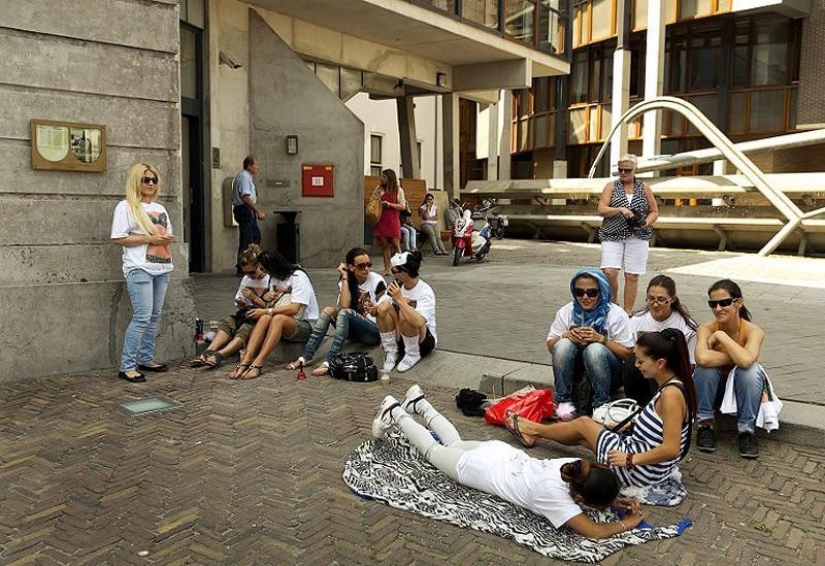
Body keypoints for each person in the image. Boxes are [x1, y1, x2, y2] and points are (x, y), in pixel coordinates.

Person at [371, 385, 644, 539]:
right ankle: (395, 412)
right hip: (476, 468)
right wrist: (628, 523)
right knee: (432, 451)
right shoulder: (556, 498)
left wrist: (613, 499)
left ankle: (418, 403)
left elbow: (591, 485)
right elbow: (594, 531)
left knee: (453, 442)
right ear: (581, 499)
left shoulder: (575, 465)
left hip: (497, 452)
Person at [508, 329, 697, 490]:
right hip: (646, 460)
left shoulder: (671, 395)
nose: (636, 365)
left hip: (641, 471)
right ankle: (534, 432)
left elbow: (671, 449)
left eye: (640, 361)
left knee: (584, 424)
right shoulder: (674, 384)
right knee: (582, 436)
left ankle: (533, 430)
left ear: (660, 363)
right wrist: (634, 425)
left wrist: (630, 459)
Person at [110, 163, 175, 383]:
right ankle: (127, 366)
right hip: (139, 268)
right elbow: (118, 238)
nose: (150, 183)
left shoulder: (160, 208)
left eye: (154, 180)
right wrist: (149, 238)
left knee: (154, 316)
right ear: (136, 181)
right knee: (142, 317)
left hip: (162, 267)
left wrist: (165, 239)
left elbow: (167, 234)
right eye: (146, 179)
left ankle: (146, 359)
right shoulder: (125, 206)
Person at [546, 269, 635, 420]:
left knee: (594, 349)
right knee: (562, 345)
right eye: (579, 292)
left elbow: (628, 354)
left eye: (592, 292)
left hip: (610, 373)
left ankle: (601, 406)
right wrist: (565, 336)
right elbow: (551, 347)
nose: (585, 297)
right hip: (577, 373)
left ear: (602, 291)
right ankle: (563, 404)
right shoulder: (566, 311)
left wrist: (601, 339)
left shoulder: (616, 314)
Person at [694, 279, 766, 459]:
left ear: (738, 303)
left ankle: (746, 432)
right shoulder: (705, 328)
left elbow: (747, 362)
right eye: (713, 304)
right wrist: (738, 356)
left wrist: (721, 336)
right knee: (705, 369)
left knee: (750, 371)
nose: (718, 309)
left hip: (741, 392)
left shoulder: (753, 331)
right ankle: (705, 425)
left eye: (724, 302)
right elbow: (702, 358)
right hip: (715, 391)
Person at [285, 248, 386, 376]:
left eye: (368, 264)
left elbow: (386, 310)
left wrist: (387, 338)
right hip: (353, 330)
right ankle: (306, 356)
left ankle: (329, 361)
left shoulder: (377, 280)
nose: (366, 269)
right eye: (361, 266)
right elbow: (344, 305)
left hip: (372, 332)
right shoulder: (345, 280)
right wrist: (345, 278)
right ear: (351, 267)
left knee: (345, 313)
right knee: (328, 310)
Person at [228, 250, 319, 380]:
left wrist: (267, 310)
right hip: (280, 321)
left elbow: (294, 308)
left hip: (304, 325)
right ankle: (246, 360)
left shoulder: (298, 276)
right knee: (265, 318)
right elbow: (270, 307)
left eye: (264, 269)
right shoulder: (273, 279)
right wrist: (267, 300)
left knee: (277, 318)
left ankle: (258, 362)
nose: (263, 272)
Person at [191, 244, 270, 369]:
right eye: (246, 272)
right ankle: (208, 352)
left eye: (252, 272)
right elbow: (239, 299)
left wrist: (254, 298)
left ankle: (220, 355)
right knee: (227, 322)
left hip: (261, 317)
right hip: (246, 312)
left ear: (259, 266)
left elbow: (272, 308)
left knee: (245, 328)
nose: (250, 276)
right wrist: (240, 302)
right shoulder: (246, 279)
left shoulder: (269, 280)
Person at [597, 154, 659, 314]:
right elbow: (601, 209)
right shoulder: (612, 186)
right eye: (621, 170)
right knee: (609, 271)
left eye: (627, 170)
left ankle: (627, 313)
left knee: (632, 275)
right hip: (612, 234)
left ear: (635, 170)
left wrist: (645, 223)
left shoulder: (644, 187)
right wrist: (620, 209)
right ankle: (613, 303)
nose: (623, 173)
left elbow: (654, 211)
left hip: (638, 235)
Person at [624, 275, 697, 406]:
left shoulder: (686, 326)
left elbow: (690, 364)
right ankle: (637, 405)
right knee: (632, 361)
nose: (655, 304)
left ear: (672, 299)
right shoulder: (636, 320)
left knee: (656, 364)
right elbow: (630, 351)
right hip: (644, 372)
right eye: (651, 299)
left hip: (672, 374)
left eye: (661, 300)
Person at [374, 251, 436, 373]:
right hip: (401, 335)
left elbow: (419, 322)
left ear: (403, 273)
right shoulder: (397, 284)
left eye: (393, 271)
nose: (392, 274)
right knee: (383, 307)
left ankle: (412, 354)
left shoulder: (425, 291)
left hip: (422, 342)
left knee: (406, 312)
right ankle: (392, 350)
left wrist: (400, 300)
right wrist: (373, 308)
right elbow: (381, 308)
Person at [232, 155, 266, 276]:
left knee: (254, 235)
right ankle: (243, 266)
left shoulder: (246, 177)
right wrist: (257, 211)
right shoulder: (244, 177)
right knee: (248, 238)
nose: (257, 167)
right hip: (244, 209)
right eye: (255, 165)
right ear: (249, 166)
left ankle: (249, 262)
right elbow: (245, 197)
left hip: (246, 210)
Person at [371, 169, 406, 275]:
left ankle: (401, 268)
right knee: (385, 245)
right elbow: (372, 200)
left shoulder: (398, 190)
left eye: (384, 177)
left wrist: (390, 205)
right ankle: (387, 269)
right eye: (382, 176)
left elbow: (402, 206)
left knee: (396, 244)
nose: (381, 178)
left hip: (392, 218)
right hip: (381, 218)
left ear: (390, 178)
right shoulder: (379, 189)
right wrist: (377, 202)